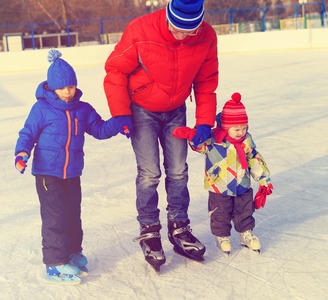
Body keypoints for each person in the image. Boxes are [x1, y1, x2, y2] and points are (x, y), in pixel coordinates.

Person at [103, 0, 219, 270]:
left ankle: (179, 227)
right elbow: (116, 69)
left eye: (188, 32)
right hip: (141, 110)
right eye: (176, 29)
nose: (181, 36)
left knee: (178, 170)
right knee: (150, 173)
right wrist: (121, 112)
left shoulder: (206, 37)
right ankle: (149, 229)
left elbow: (206, 81)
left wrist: (204, 122)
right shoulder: (141, 30)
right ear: (168, 16)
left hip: (176, 109)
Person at [14, 49, 129, 284]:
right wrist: (22, 153)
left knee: (73, 216)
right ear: (52, 88)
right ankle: (55, 263)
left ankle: (72, 252)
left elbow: (98, 129)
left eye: (71, 86)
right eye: (62, 87)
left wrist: (118, 122)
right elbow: (27, 133)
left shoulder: (82, 109)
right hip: (48, 173)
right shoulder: (42, 109)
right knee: (55, 217)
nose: (68, 91)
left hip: (72, 172)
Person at [172, 92, 273, 255]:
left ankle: (245, 234)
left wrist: (263, 180)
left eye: (243, 128)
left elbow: (255, 160)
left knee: (245, 211)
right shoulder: (214, 140)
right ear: (226, 127)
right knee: (220, 213)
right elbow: (200, 147)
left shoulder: (246, 143)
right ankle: (222, 236)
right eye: (236, 129)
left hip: (242, 185)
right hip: (219, 185)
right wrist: (193, 137)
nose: (241, 132)